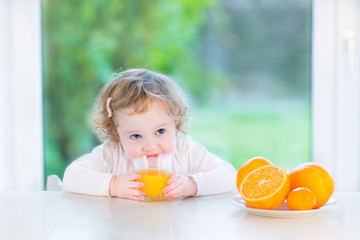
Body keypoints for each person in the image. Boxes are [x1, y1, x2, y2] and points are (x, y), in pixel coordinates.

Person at [63, 68, 236, 201]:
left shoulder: (185, 149)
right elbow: (71, 176)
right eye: (136, 136)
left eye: (160, 131)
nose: (151, 146)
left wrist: (192, 185)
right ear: (118, 135)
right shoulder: (113, 152)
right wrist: (113, 185)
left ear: (175, 125)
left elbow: (229, 175)